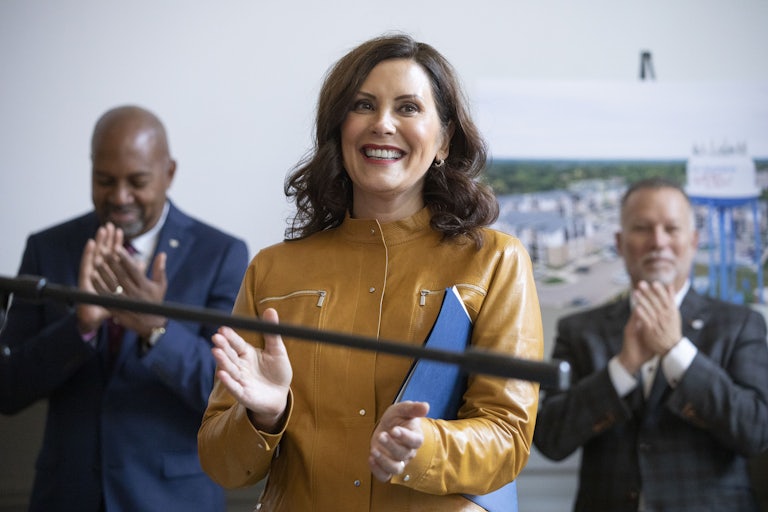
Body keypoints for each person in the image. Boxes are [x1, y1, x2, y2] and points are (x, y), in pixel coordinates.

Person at [197, 33, 543, 511]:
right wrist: (265, 413)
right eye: (363, 105)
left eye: (407, 108)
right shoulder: (271, 271)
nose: (383, 124)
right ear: (339, 131)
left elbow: (508, 438)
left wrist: (425, 447)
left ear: (443, 140)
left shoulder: (495, 261)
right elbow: (223, 466)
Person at [0, 105, 249, 511]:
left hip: (172, 499)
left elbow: (226, 394)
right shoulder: (48, 248)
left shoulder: (220, 255)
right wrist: (79, 326)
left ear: (169, 173)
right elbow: (8, 389)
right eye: (104, 181)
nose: (119, 197)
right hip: (67, 496)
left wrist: (157, 328)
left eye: (137, 182)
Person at [533, 177, 768, 512]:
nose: (658, 242)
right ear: (619, 242)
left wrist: (676, 352)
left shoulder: (740, 324)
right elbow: (551, 440)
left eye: (672, 229)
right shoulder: (578, 329)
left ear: (693, 241)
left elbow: (755, 432)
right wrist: (623, 367)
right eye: (642, 228)